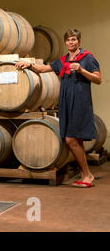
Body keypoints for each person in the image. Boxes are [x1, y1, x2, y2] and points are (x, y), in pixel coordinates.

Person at [15, 29, 101, 188]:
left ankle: (87, 174)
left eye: (74, 40)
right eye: (68, 40)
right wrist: (28, 64)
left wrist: (81, 70)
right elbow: (42, 69)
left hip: (81, 101)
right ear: (65, 42)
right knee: (77, 140)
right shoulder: (63, 60)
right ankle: (85, 174)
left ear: (79, 41)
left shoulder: (87, 58)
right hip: (66, 101)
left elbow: (98, 79)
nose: (71, 42)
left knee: (71, 139)